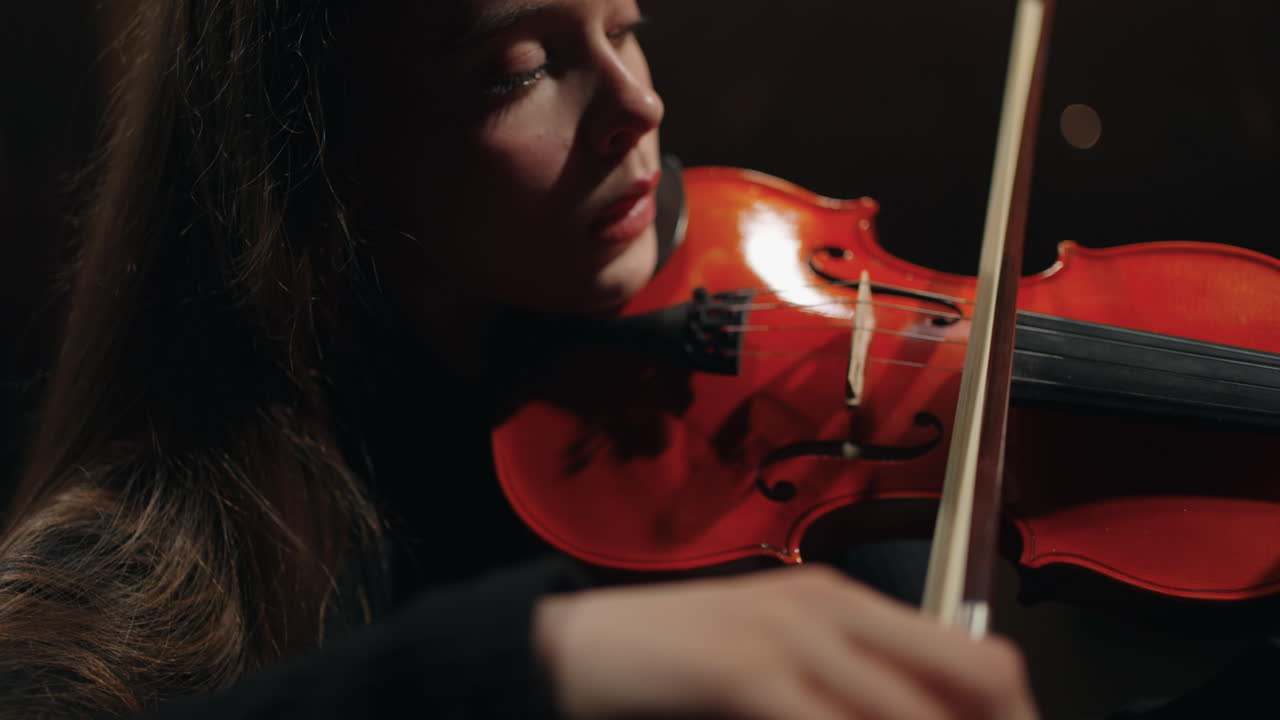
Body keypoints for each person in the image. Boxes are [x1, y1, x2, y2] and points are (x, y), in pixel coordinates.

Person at [0, 0, 1044, 717]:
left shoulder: (761, 426)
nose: (639, 105)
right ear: (320, 155)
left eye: (625, 27)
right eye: (523, 71)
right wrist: (537, 660)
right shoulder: (134, 570)